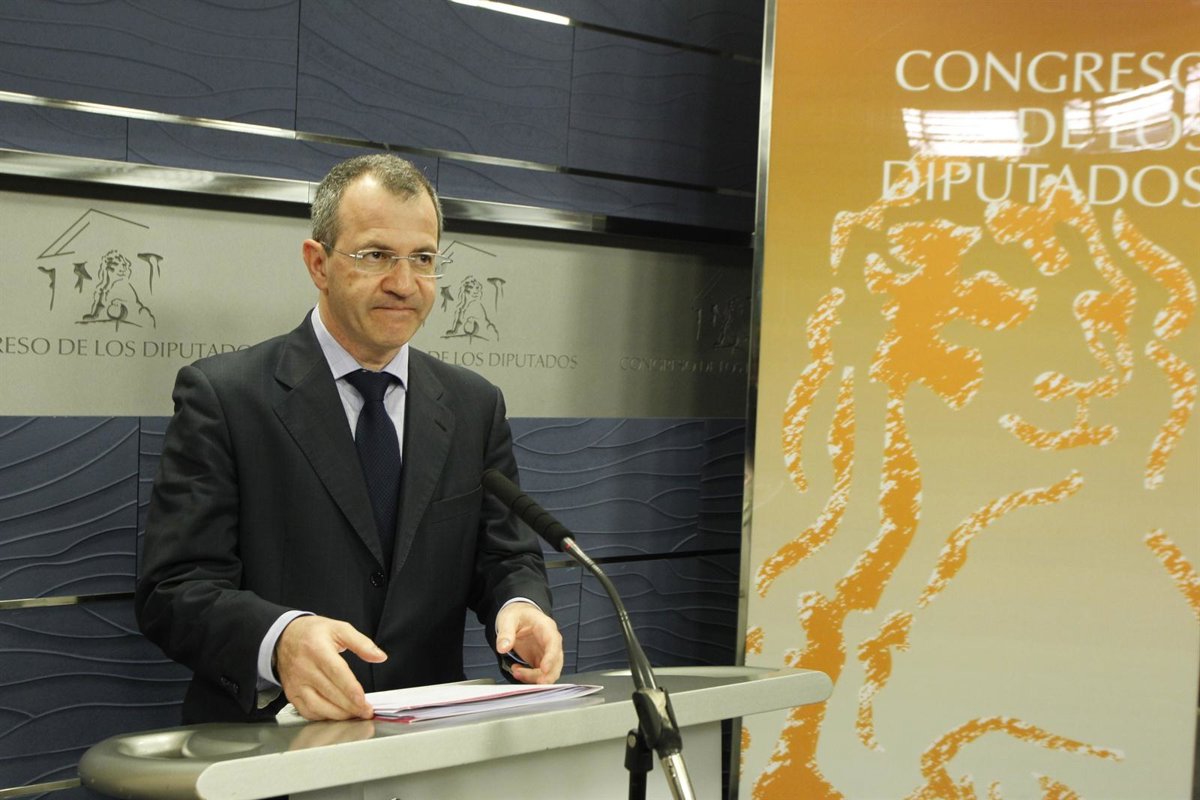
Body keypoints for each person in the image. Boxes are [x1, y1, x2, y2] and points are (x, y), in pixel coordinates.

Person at [135, 154, 563, 724]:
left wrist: (520, 605)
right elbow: (174, 589)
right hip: (270, 746)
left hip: (426, 746)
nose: (403, 284)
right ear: (319, 264)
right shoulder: (225, 397)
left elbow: (505, 555)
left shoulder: (474, 405)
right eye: (375, 255)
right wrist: (280, 638)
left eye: (423, 259)